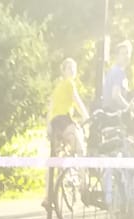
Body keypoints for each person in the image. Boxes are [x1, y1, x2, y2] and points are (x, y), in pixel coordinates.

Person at [42, 56, 88, 210]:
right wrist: (87, 117)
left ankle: (47, 197)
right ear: (63, 71)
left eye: (74, 68)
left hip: (55, 124)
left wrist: (48, 126)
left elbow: (50, 108)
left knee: (53, 160)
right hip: (64, 120)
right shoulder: (69, 83)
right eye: (69, 68)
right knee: (80, 146)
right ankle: (84, 182)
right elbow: (77, 101)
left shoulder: (56, 88)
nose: (72, 70)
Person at [100, 39, 133, 113]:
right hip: (113, 114)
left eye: (127, 53)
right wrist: (128, 107)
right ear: (117, 56)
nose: (126, 56)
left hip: (108, 112)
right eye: (123, 54)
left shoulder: (113, 70)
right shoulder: (118, 72)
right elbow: (115, 95)